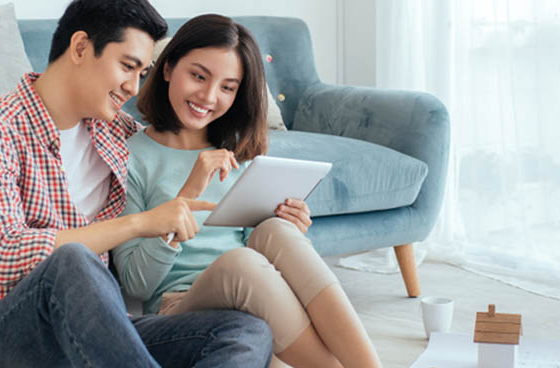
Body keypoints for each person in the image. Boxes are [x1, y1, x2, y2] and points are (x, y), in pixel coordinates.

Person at [0, 1, 274, 366]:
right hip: (1, 337)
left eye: (142, 72)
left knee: (244, 331)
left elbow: (174, 156)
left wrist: (269, 210)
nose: (132, 87)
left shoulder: (118, 134)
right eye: (127, 67)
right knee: (72, 262)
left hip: (101, 330)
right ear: (81, 47)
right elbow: (2, 252)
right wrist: (140, 223)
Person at [113, 14, 382, 368]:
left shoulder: (236, 156)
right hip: (176, 307)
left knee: (276, 231)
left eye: (227, 87)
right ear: (167, 69)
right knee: (240, 263)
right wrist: (189, 193)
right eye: (198, 75)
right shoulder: (129, 157)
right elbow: (137, 285)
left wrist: (290, 226)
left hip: (249, 302)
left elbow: (262, 254)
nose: (208, 96)